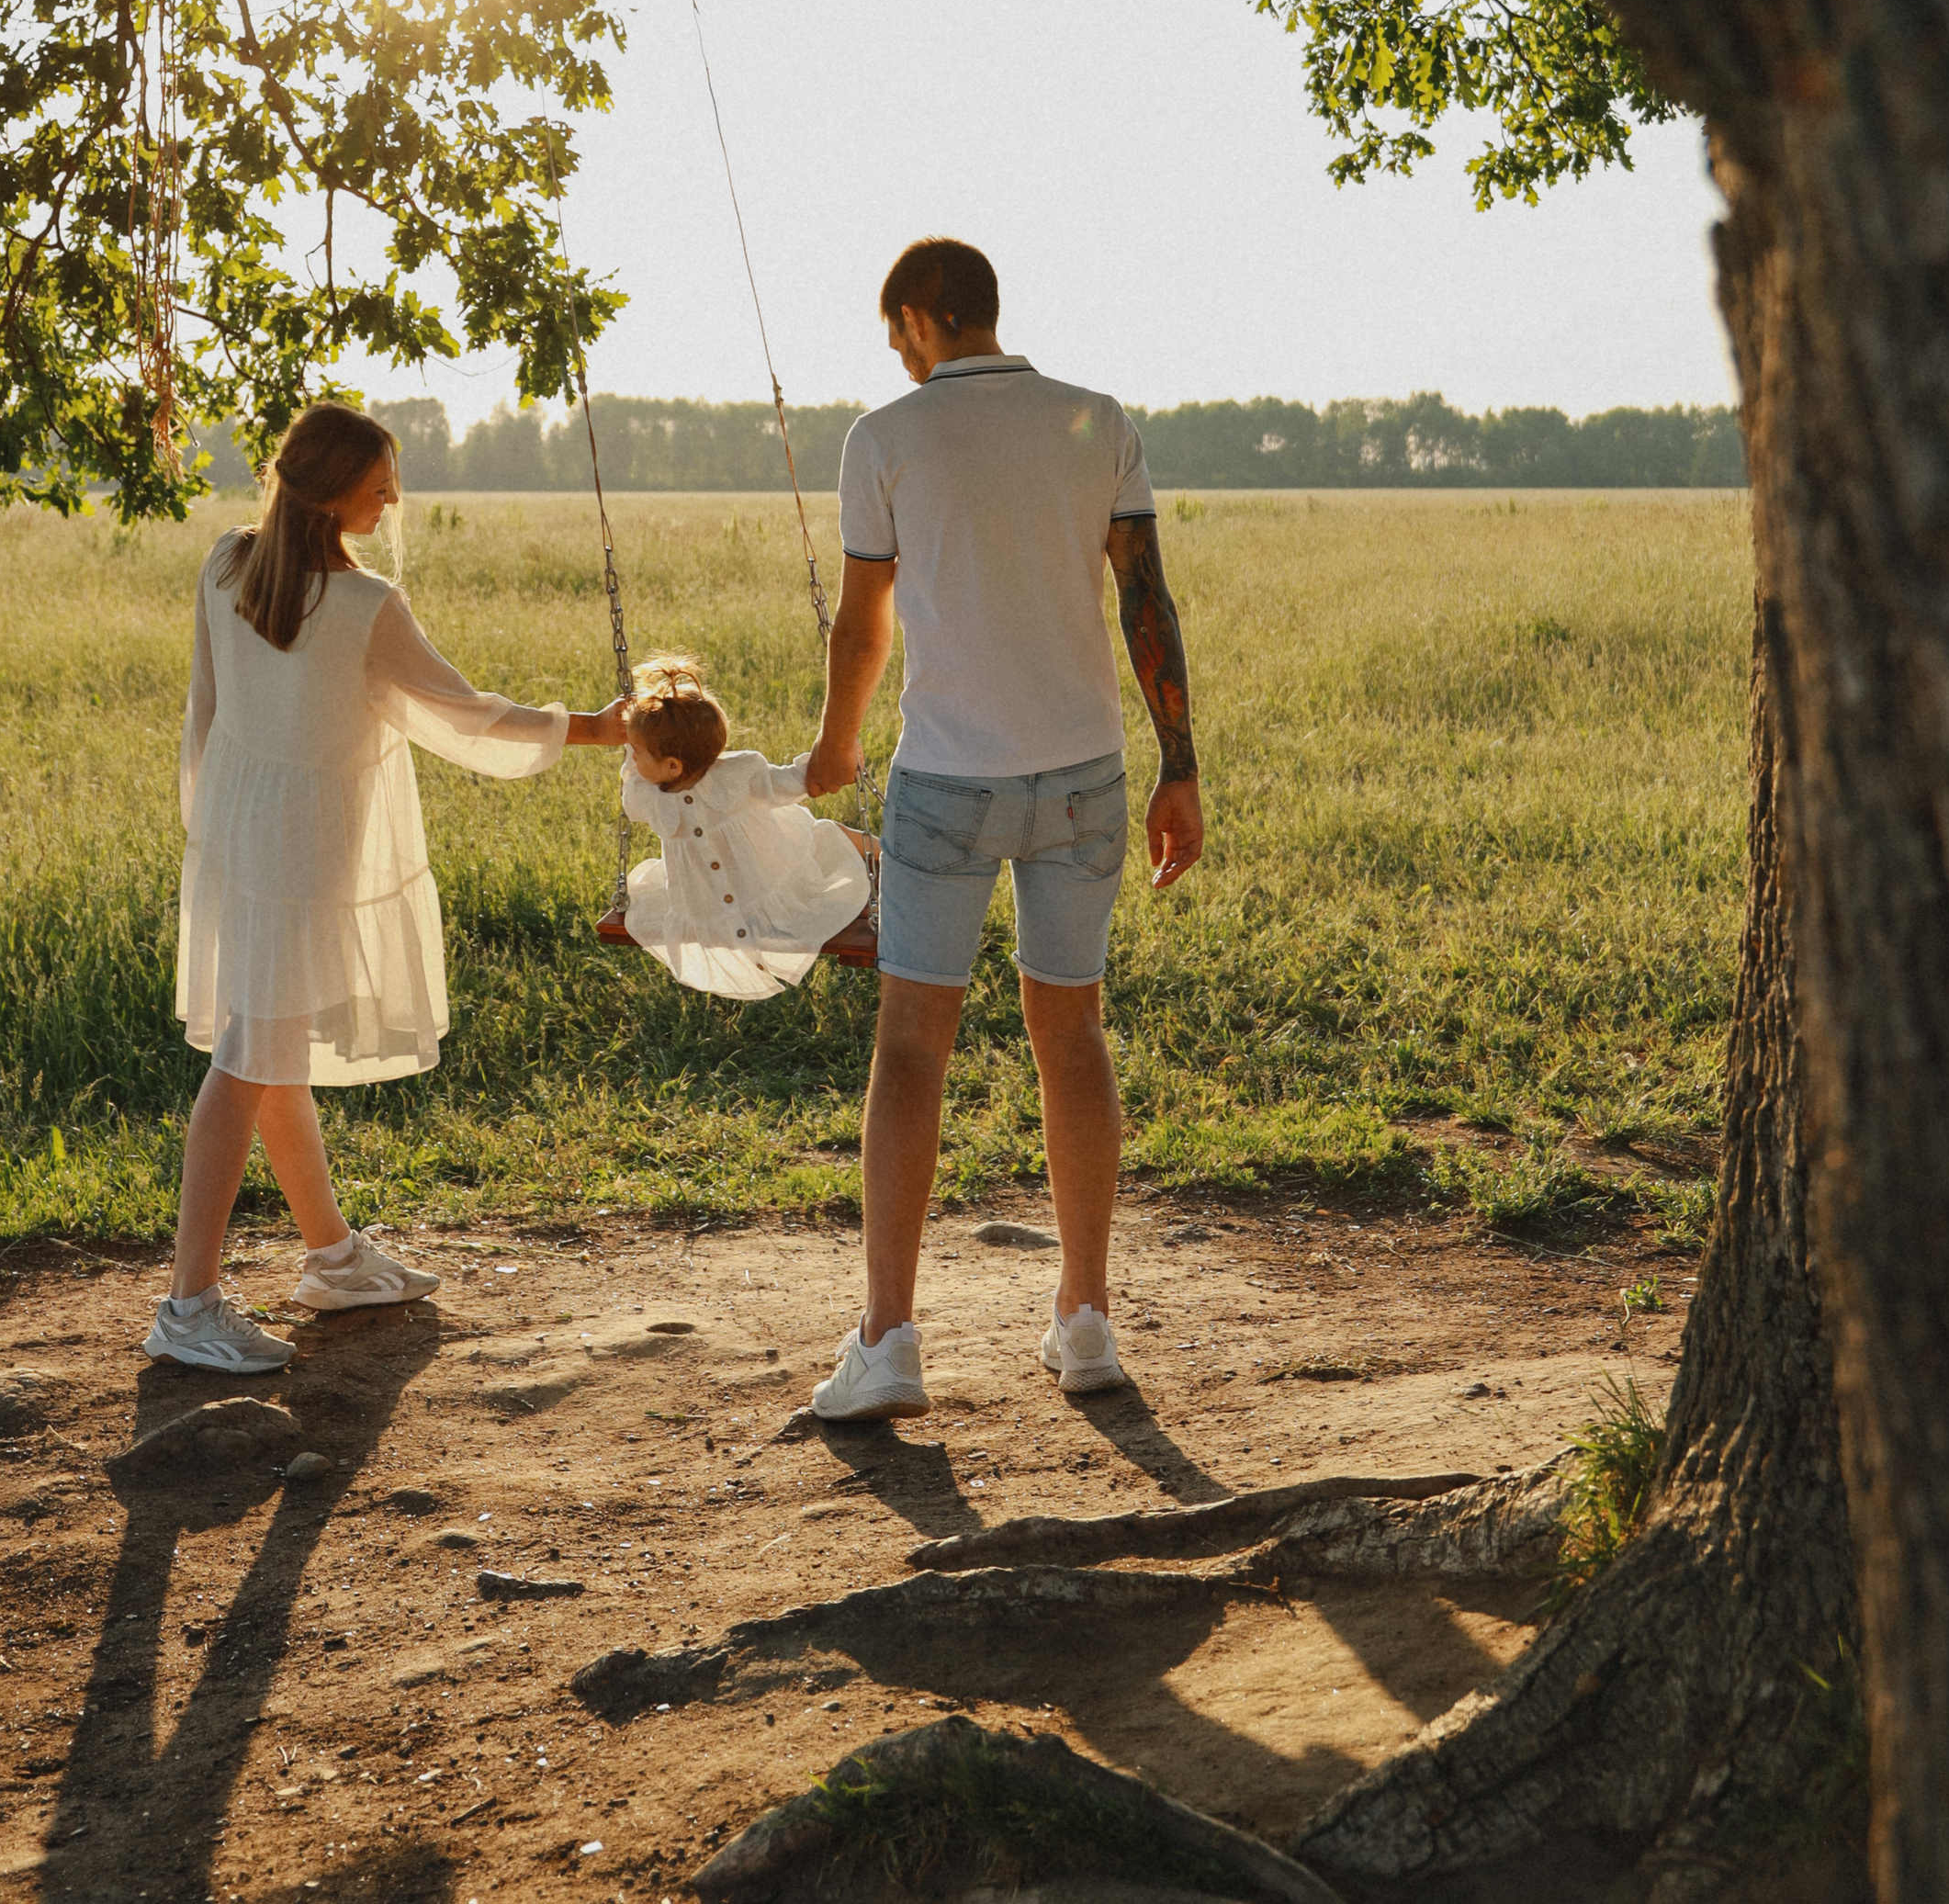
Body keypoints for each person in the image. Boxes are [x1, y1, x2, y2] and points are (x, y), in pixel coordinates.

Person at [804, 239, 1203, 1419]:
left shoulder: (884, 436)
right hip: (1084, 778)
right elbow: (1145, 601)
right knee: (1070, 1031)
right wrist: (1180, 767)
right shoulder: (1098, 420)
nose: (895, 354)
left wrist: (834, 746)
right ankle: (1085, 1322)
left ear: (924, 318)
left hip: (945, 781)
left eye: (895, 332)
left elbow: (862, 626)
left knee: (909, 1048)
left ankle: (888, 1342)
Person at [147, 399, 629, 1373]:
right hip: (303, 849)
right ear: (331, 493)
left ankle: (332, 1259)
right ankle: (188, 1305)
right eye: (379, 486)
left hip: (243, 833)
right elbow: (466, 715)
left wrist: (208, 826)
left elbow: (206, 707)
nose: (393, 501)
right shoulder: (365, 605)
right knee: (248, 1058)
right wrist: (593, 727)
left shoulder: (228, 564)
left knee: (270, 1047)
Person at [616, 652, 871, 998]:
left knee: (827, 851)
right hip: (704, 902)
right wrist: (636, 737)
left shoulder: (738, 774)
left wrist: (823, 766)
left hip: (764, 880)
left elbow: (783, 782)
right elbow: (631, 789)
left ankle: (875, 852)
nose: (632, 758)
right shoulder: (649, 797)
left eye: (637, 752)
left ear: (673, 766)